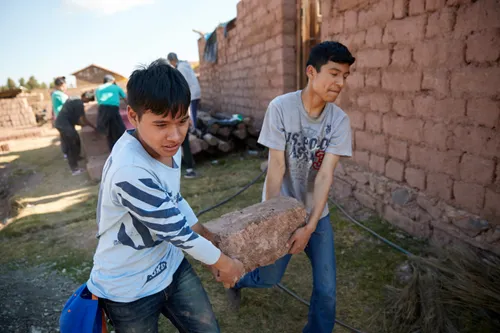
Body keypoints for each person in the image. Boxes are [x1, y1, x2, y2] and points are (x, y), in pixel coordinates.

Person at [86, 59, 245, 333]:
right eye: (161, 124)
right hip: (128, 289)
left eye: (182, 121)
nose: (175, 135)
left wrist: (203, 234)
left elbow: (173, 198)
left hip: (171, 266)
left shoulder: (168, 147)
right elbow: (179, 235)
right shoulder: (129, 170)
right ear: (133, 117)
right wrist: (225, 263)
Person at [227, 41, 356, 333]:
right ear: (312, 72)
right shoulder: (281, 108)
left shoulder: (339, 121)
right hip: (282, 212)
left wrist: (309, 227)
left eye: (345, 76)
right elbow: (276, 168)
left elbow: (325, 176)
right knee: (268, 278)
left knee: (327, 289)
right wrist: (268, 222)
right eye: (334, 73)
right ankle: (237, 281)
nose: (340, 82)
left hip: (316, 217)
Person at [167, 52, 200, 179]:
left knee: (181, 141)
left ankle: (188, 168)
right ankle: (188, 167)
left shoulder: (179, 71)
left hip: (185, 105)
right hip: (183, 109)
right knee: (182, 141)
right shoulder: (184, 66)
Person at [54, 92, 96, 175]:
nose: (86, 102)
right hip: (64, 125)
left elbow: (75, 118)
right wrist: (93, 127)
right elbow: (82, 120)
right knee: (71, 145)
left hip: (62, 123)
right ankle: (74, 169)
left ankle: (77, 156)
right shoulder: (79, 104)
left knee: (76, 139)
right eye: (87, 101)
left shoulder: (74, 98)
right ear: (85, 97)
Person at [95, 74, 127, 150]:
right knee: (119, 129)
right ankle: (122, 148)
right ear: (112, 81)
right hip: (113, 109)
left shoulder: (98, 88)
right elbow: (125, 98)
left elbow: (98, 101)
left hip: (102, 109)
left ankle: (112, 149)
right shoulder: (116, 87)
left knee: (108, 131)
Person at [51, 76, 69, 157]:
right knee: (66, 137)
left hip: (61, 118)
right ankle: (68, 154)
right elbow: (69, 102)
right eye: (63, 86)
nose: (64, 87)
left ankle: (67, 153)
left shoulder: (58, 94)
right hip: (61, 119)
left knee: (64, 136)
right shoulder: (57, 94)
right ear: (58, 86)